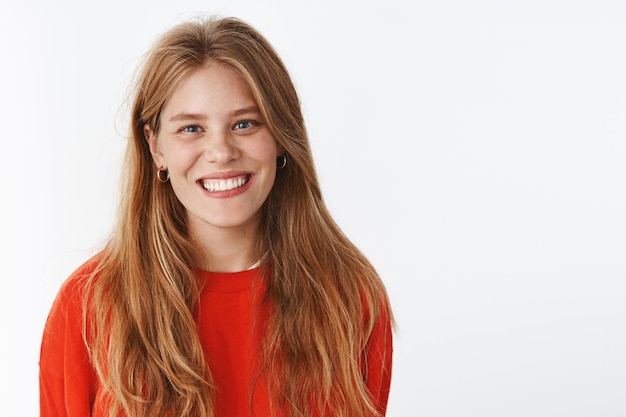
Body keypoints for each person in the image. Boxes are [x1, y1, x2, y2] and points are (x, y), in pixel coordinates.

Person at [39, 15, 393, 417]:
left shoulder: (349, 297)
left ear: (280, 135)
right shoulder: (87, 306)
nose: (221, 152)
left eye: (245, 123)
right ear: (155, 148)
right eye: (191, 129)